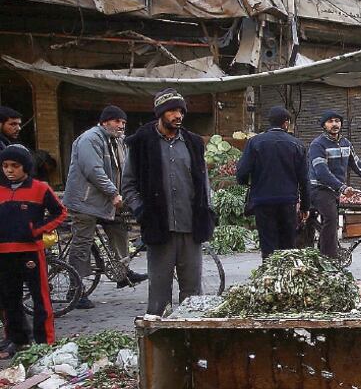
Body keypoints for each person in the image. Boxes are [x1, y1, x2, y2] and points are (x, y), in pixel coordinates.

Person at [122, 88, 215, 317]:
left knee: (192, 293)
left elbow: (204, 182)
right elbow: (128, 185)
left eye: (181, 111)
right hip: (158, 227)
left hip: (190, 227)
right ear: (161, 113)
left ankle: (190, 341)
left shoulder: (193, 142)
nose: (178, 116)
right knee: (159, 294)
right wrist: (141, 210)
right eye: (172, 111)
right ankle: (158, 343)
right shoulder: (142, 142)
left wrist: (208, 209)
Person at [62, 105, 148, 309]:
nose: (121, 126)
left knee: (119, 227)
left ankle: (122, 271)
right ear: (104, 122)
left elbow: (125, 170)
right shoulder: (90, 139)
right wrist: (113, 193)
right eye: (117, 121)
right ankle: (75, 290)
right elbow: (93, 170)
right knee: (83, 242)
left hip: (105, 202)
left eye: (123, 123)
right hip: (84, 202)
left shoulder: (117, 141)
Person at [0, 145, 66, 359]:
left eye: (15, 166)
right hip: (4, 252)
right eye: (5, 166)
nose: (9, 170)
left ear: (25, 167)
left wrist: (37, 230)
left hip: (30, 251)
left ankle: (44, 342)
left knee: (40, 297)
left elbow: (60, 212)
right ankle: (16, 339)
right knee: (9, 298)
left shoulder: (40, 188)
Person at [308, 109, 361, 259]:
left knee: (330, 221)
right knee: (331, 219)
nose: (334, 124)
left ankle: (323, 249)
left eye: (337, 121)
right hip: (319, 188)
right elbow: (321, 172)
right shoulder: (317, 145)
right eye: (330, 121)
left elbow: (357, 165)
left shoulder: (345, 143)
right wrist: (342, 187)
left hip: (335, 189)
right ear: (324, 125)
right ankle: (328, 258)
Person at [237, 106, 310, 259]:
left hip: (263, 201)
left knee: (268, 244)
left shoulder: (254, 142)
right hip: (287, 201)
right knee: (287, 246)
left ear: (269, 123)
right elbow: (304, 179)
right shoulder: (297, 144)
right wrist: (305, 206)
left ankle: (269, 278)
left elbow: (242, 172)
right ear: (286, 123)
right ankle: (285, 278)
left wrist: (246, 183)